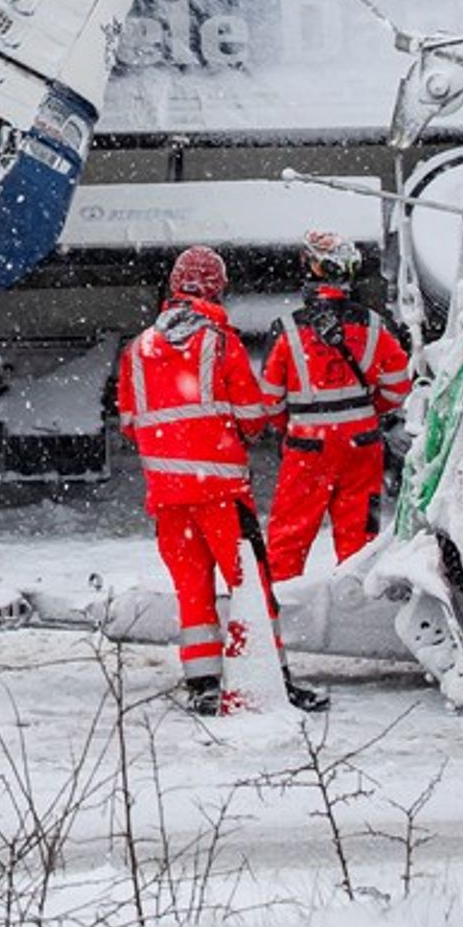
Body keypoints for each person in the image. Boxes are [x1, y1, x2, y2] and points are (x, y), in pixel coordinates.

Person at [116, 245, 321, 715]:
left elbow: (130, 421)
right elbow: (252, 416)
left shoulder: (138, 349)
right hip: (221, 493)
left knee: (192, 592)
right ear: (217, 289)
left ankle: (204, 685)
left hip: (167, 499)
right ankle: (273, 680)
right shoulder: (219, 342)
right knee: (251, 588)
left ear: (174, 287)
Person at [258, 230, 412, 583]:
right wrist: (366, 411)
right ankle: (356, 608)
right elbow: (398, 387)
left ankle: (280, 610)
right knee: (361, 537)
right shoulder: (376, 326)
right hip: (364, 447)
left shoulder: (286, 330)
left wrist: (292, 427)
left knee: (288, 538)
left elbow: (270, 400)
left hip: (307, 448)